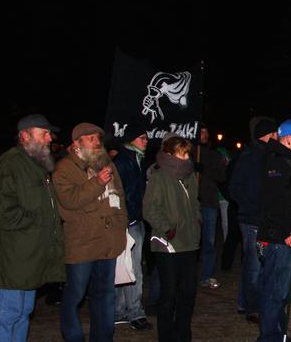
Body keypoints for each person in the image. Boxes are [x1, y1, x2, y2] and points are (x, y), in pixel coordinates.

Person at [0, 114, 66, 342]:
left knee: (24, 313)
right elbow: (0, 206)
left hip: (30, 256)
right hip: (13, 257)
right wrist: (33, 221)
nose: (50, 138)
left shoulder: (35, 164)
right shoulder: (11, 162)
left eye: (49, 133)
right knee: (9, 315)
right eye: (44, 133)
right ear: (25, 136)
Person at [52, 123, 128, 342]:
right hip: (82, 243)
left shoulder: (107, 165)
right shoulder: (65, 168)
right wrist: (96, 183)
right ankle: (73, 336)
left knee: (105, 295)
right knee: (75, 295)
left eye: (98, 138)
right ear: (77, 143)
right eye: (91, 138)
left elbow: (120, 197)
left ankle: (103, 337)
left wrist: (120, 225)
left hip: (107, 241)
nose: (97, 142)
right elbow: (69, 201)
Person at [144, 135, 201, 341]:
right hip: (167, 243)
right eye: (182, 153)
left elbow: (195, 203)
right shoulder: (159, 176)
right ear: (169, 153)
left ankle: (183, 334)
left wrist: (197, 220)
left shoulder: (189, 175)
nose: (186, 157)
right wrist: (167, 229)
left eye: (187, 153)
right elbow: (150, 209)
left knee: (188, 292)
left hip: (189, 242)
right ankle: (166, 336)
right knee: (168, 294)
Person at [257, 120, 291, 342]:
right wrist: (287, 231)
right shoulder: (278, 163)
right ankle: (270, 337)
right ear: (288, 139)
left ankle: (278, 334)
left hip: (282, 237)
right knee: (275, 293)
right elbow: (274, 203)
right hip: (278, 240)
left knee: (280, 292)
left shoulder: (286, 161)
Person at [229, 117, 279, 323]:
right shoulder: (251, 156)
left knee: (254, 262)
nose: (278, 137)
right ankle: (253, 307)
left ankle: (245, 302)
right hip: (252, 220)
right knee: (254, 265)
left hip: (260, 218)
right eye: (275, 134)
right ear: (267, 135)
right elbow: (236, 188)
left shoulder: (268, 155)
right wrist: (252, 207)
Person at [112, 128, 154, 331]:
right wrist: (126, 219)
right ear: (131, 140)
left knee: (126, 267)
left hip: (134, 219)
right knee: (131, 269)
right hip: (128, 222)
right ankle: (134, 313)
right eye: (142, 138)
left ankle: (120, 311)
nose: (146, 141)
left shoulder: (136, 159)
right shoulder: (124, 161)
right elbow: (120, 194)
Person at [195, 126, 227, 290]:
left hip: (209, 203)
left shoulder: (214, 155)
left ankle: (206, 275)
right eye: (201, 132)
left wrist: (205, 169)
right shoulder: (188, 153)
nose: (205, 135)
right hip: (191, 204)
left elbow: (222, 176)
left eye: (207, 132)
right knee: (190, 242)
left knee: (209, 241)